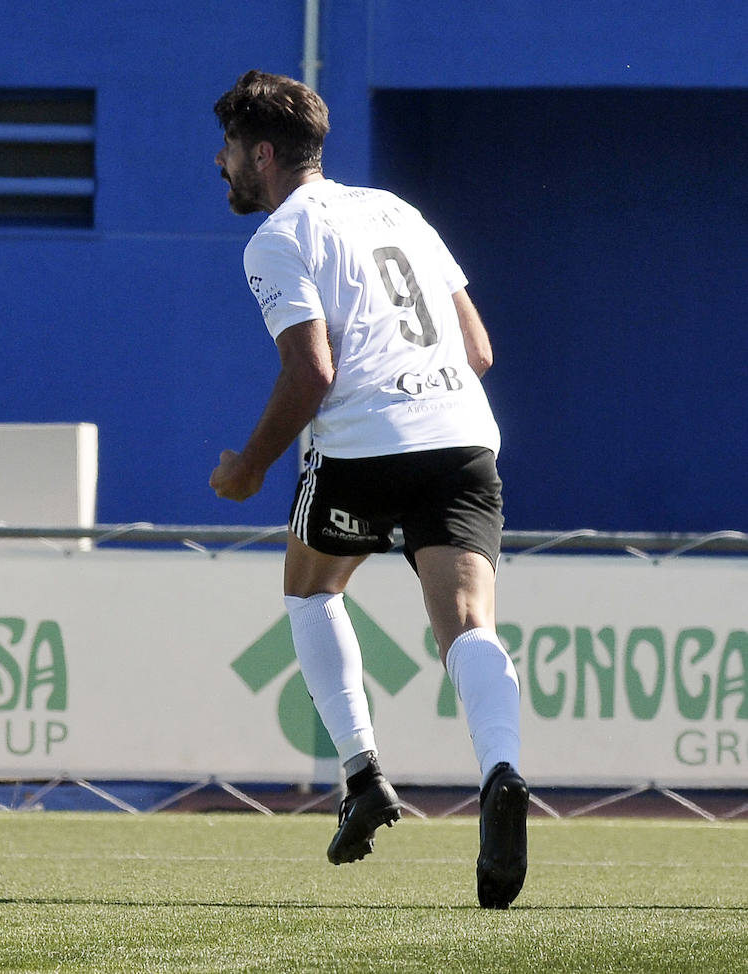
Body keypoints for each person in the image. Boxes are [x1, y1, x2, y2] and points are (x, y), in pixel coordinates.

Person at [208, 71, 527, 909]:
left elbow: (313, 370)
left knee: (311, 590)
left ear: (264, 153)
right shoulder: (399, 211)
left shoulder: (277, 237)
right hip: (461, 434)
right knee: (467, 625)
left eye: (231, 149)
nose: (223, 163)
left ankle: (362, 774)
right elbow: (480, 350)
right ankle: (500, 772)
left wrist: (248, 464)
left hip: (363, 445)